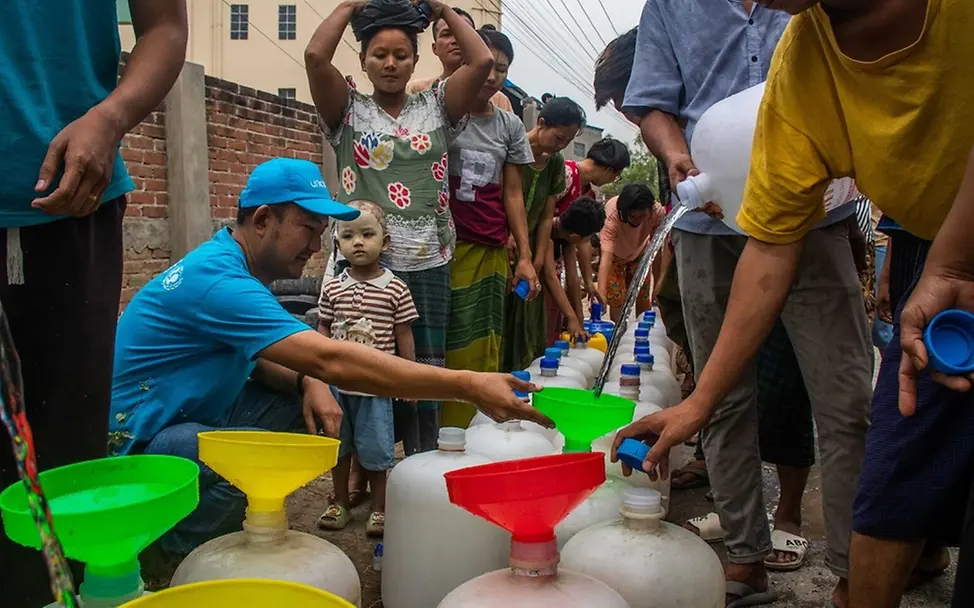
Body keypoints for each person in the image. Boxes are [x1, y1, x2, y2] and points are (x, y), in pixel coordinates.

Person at [614, 0, 974, 606]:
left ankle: (850, 569)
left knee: (851, 404)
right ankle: (760, 560)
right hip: (732, 222)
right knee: (897, 438)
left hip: (890, 241)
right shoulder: (803, 64)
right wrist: (698, 402)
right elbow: (771, 244)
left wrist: (955, 261)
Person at [110, 158, 549, 557]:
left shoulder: (232, 264)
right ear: (264, 219)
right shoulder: (219, 281)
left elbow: (265, 357)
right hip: (141, 453)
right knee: (246, 458)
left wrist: (308, 382)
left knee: (318, 398)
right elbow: (331, 358)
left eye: (322, 232)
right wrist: (467, 384)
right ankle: (173, 553)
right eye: (308, 228)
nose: (316, 245)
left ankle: (209, 526)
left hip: (187, 418)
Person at [620, 1, 870, 605]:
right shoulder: (673, 7)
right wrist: (675, 151)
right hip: (712, 222)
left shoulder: (810, 7)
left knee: (845, 398)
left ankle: (857, 569)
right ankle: (743, 556)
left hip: (815, 217)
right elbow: (652, 101)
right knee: (720, 397)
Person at [0, 1, 188, 605]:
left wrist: (111, 116)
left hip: (68, 198)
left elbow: (165, 26)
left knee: (62, 462)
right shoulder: (218, 276)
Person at [306, 0, 493, 452]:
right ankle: (364, 480)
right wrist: (350, 5)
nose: (390, 64)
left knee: (422, 373)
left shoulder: (438, 105)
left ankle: (419, 466)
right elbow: (314, 57)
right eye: (379, 54)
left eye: (401, 55)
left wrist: (442, 8)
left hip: (428, 261)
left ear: (415, 59)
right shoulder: (347, 110)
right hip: (361, 265)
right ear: (363, 60)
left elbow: (482, 60)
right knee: (360, 368)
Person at [440, 26, 540, 428]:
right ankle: (441, 430)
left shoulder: (510, 126)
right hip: (444, 247)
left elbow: (513, 193)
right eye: (487, 65)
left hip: (490, 249)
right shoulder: (441, 113)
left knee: (484, 342)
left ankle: (474, 429)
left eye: (502, 69)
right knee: (448, 341)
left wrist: (526, 256)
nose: (493, 75)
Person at [317, 201, 418, 537]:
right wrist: (317, 376)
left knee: (377, 451)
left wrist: (409, 380)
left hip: (376, 388)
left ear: (384, 242)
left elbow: (404, 334)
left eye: (367, 234)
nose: (357, 242)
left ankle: (379, 508)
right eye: (348, 235)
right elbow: (323, 328)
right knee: (338, 448)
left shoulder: (395, 288)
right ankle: (340, 502)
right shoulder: (332, 287)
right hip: (337, 388)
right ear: (337, 244)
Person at [501, 97, 586, 372]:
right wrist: (508, 236)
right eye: (559, 137)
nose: (561, 145)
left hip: (529, 252)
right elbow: (501, 196)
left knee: (528, 320)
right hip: (502, 244)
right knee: (501, 319)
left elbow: (547, 216)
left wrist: (536, 262)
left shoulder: (555, 163)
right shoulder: (513, 148)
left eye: (567, 140)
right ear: (541, 123)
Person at [547, 137, 630, 342]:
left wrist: (589, 284)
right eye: (616, 176)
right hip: (541, 253)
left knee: (553, 319)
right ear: (610, 170)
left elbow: (580, 244)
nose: (613, 181)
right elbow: (540, 220)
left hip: (558, 256)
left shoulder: (589, 194)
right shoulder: (565, 174)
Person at [405, 7, 513, 112]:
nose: (456, 40)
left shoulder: (498, 99)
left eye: (463, 34)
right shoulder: (416, 90)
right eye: (446, 34)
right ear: (435, 48)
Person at [596, 183, 665, 323]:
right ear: (624, 211)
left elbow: (657, 251)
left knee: (643, 296)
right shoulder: (612, 215)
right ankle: (619, 334)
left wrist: (658, 287)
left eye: (642, 216)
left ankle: (644, 333)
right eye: (633, 216)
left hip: (641, 255)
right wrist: (601, 294)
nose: (637, 220)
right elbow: (606, 256)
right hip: (614, 257)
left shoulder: (656, 213)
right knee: (616, 299)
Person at [543, 196, 606, 336]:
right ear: (576, 237)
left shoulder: (567, 238)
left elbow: (573, 279)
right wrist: (571, 318)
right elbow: (550, 276)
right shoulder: (545, 234)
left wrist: (580, 320)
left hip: (550, 290)